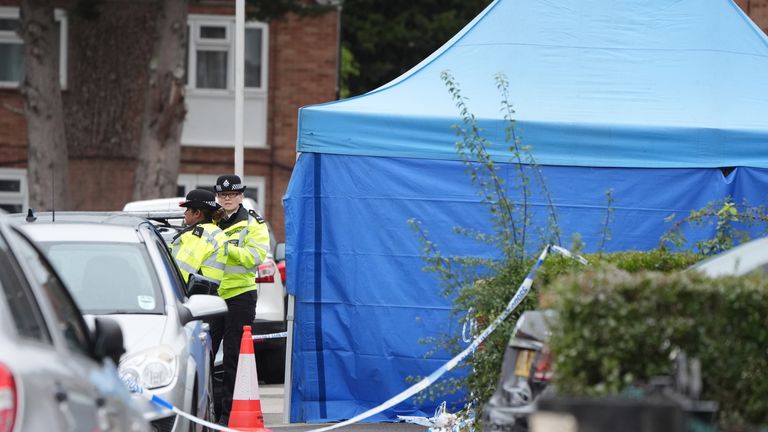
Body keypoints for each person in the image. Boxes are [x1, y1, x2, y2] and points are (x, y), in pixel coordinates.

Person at [210, 174, 271, 425]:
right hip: (213, 296)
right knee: (205, 355)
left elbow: (255, 257)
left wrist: (226, 248)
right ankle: (208, 412)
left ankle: (226, 416)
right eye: (223, 195)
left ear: (240, 197)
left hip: (239, 297)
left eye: (232, 194)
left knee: (233, 358)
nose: (227, 198)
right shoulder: (212, 221)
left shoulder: (252, 223)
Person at [170, 189, 227, 285]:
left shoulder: (199, 236)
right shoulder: (217, 232)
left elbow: (182, 274)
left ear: (197, 213)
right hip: (209, 292)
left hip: (194, 293)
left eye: (188, 209)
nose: (185, 213)